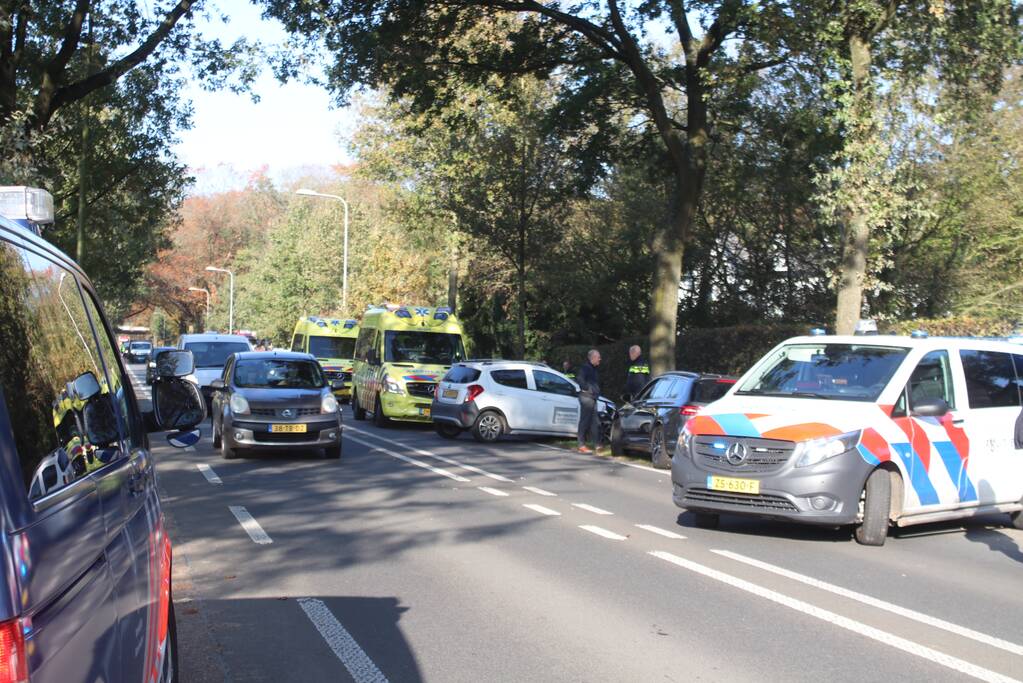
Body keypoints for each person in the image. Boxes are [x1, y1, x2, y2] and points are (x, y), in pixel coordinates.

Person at [577, 349, 601, 453]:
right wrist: (587, 388)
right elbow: (580, 379)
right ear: (593, 358)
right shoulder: (585, 368)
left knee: (595, 422)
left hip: (593, 398)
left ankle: (596, 444)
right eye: (598, 357)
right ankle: (581, 445)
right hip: (586, 397)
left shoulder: (594, 369)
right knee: (585, 421)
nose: (600, 359)